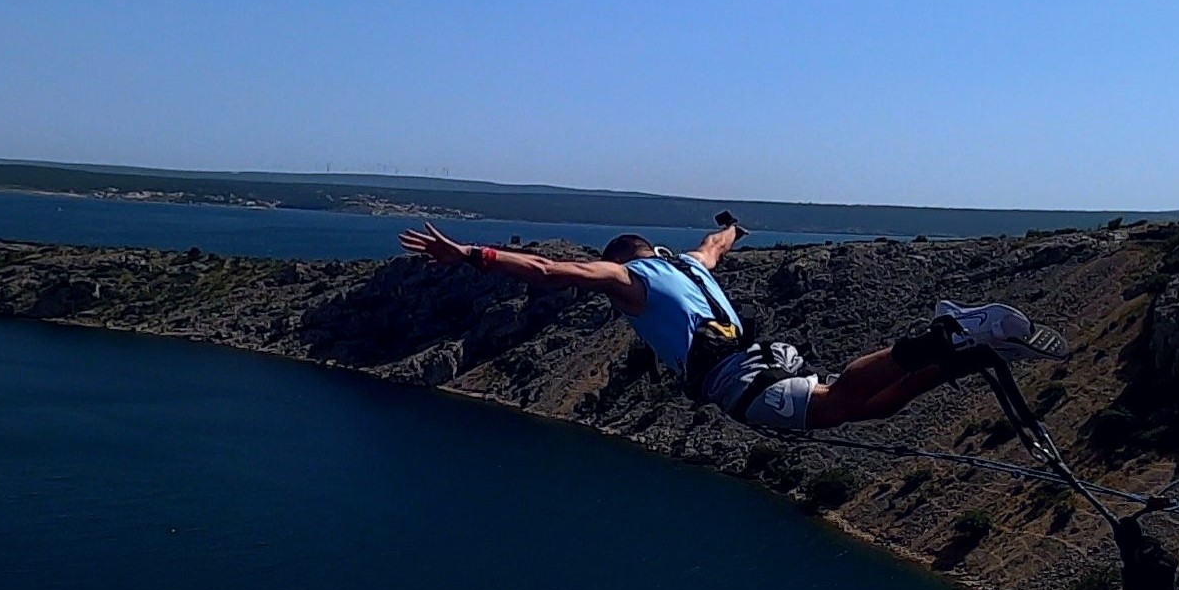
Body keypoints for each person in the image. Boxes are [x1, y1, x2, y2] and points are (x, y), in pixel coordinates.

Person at [396, 217, 1063, 432]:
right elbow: (718, 243)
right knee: (866, 410)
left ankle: (942, 336)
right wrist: (732, 225)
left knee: (836, 402)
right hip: (760, 355)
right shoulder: (686, 262)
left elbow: (545, 268)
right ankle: (968, 352)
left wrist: (472, 255)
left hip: (736, 375)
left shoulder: (630, 279)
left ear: (624, 261)